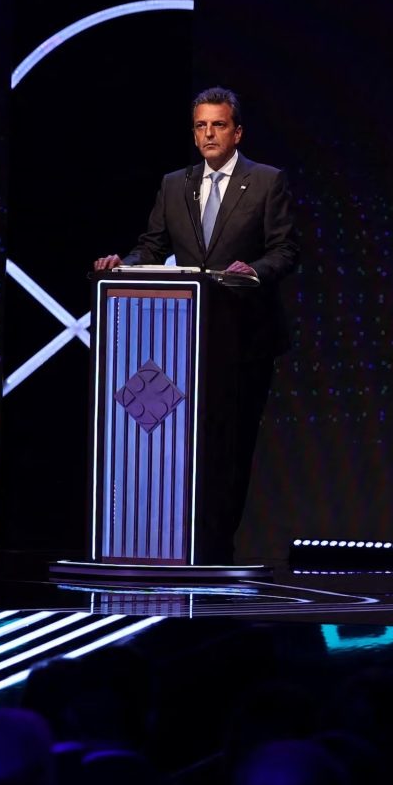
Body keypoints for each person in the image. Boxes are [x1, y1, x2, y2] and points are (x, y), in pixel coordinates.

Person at [93, 88, 297, 564]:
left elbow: (285, 251)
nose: (208, 134)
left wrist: (255, 271)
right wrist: (123, 264)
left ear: (237, 131)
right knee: (186, 450)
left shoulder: (266, 182)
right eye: (201, 126)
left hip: (245, 340)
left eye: (218, 125)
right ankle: (179, 546)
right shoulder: (174, 185)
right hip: (183, 345)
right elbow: (153, 245)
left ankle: (217, 549)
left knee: (231, 450)